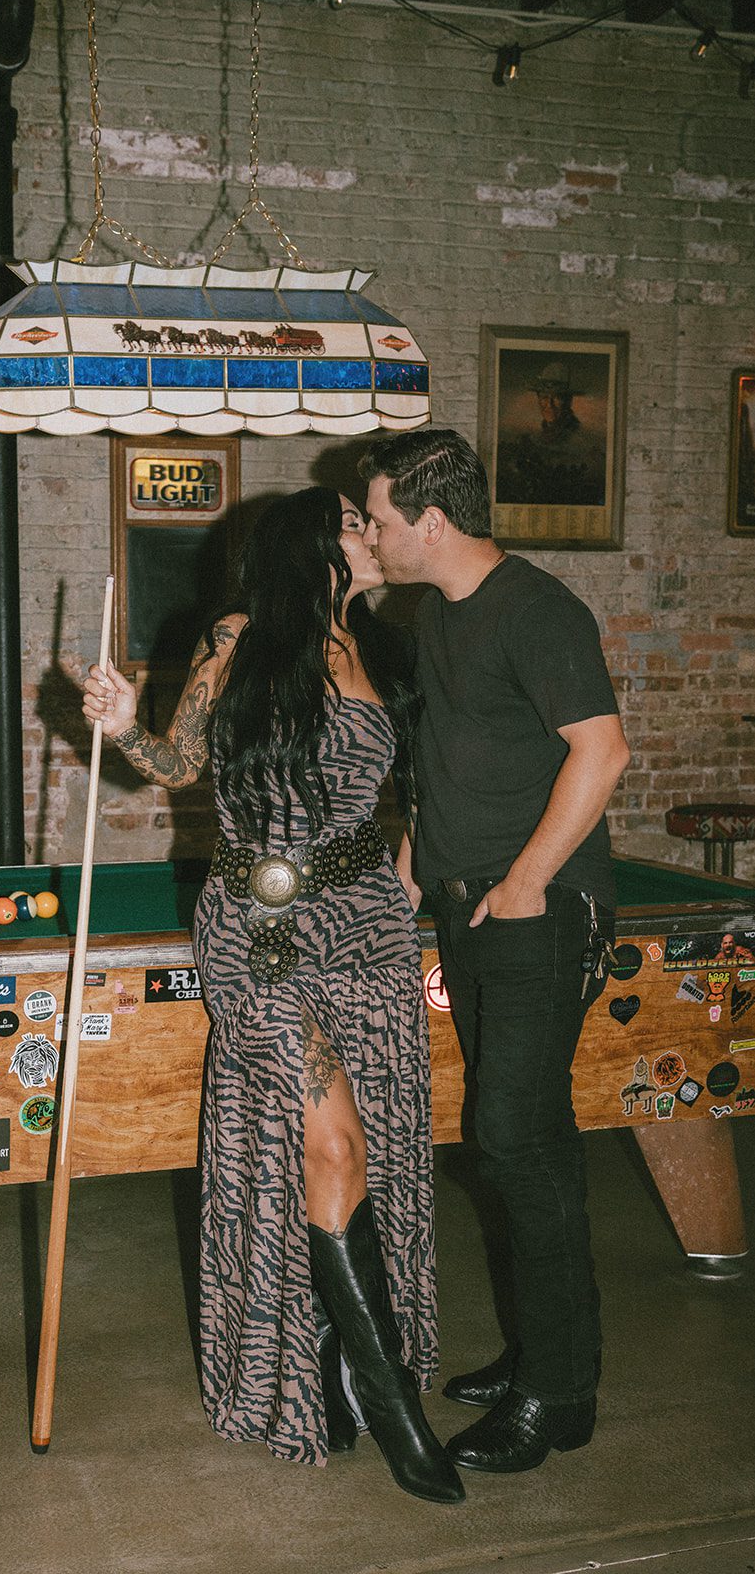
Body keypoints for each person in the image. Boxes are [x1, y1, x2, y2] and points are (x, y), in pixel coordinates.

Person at [82, 486, 464, 1502]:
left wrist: (410, 886)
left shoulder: (386, 647)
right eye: (357, 523)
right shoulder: (243, 635)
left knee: (368, 1146)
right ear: (314, 543)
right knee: (330, 1140)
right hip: (263, 931)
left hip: (370, 924)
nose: (375, 536)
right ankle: (396, 1412)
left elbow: (418, 790)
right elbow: (177, 761)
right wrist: (125, 725)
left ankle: (348, 1359)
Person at [357, 428, 630, 1475]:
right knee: (517, 1141)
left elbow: (602, 751)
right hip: (466, 915)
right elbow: (442, 755)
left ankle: (556, 1395)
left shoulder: (540, 609)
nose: (373, 538)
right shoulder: (433, 616)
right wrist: (415, 869)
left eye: (381, 520)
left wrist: (524, 883)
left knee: (517, 1138)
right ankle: (541, 1356)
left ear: (431, 519)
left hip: (539, 914)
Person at [496, 360, 608, 507]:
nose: (549, 405)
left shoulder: (583, 441)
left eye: (556, 397)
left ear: (568, 401)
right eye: (544, 397)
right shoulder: (532, 439)